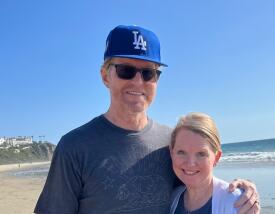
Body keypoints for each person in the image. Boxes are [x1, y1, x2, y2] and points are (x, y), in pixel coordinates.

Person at [34, 25, 260, 214]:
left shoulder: (170, 142)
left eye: (148, 73)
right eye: (125, 71)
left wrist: (240, 191)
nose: (138, 82)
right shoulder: (74, 146)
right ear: (105, 76)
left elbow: (197, 182)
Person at [169, 112, 254, 214]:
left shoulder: (237, 203)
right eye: (181, 152)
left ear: (216, 158)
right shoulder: (173, 199)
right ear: (172, 153)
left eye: (201, 154)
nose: (190, 163)